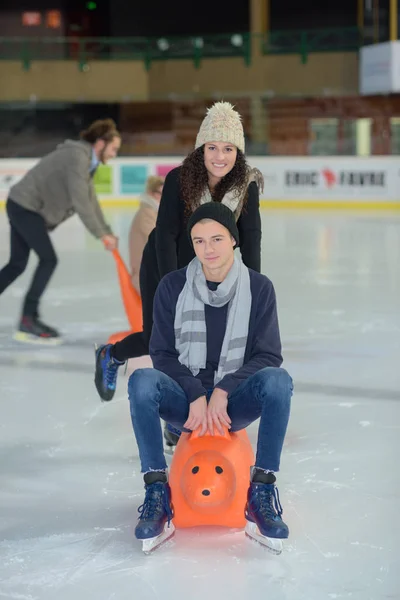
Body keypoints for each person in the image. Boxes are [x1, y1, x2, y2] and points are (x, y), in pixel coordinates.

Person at [127, 202, 293, 553]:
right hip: (186, 402)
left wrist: (222, 390)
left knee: (278, 380)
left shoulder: (259, 288)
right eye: (199, 241)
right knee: (141, 380)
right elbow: (162, 352)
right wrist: (193, 393)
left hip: (233, 400)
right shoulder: (172, 286)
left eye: (217, 238)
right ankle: (157, 491)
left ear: (233, 240)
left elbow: (268, 354)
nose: (209, 249)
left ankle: (261, 491)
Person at [95, 102, 263, 422]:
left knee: (204, 345)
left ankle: (181, 416)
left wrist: (253, 292)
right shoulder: (179, 180)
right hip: (164, 264)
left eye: (228, 148)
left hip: (212, 272)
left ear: (238, 152)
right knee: (160, 340)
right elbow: (165, 237)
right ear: (201, 148)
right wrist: (171, 290)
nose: (219, 156)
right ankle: (111, 355)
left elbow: (250, 242)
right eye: (212, 147)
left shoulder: (246, 187)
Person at [0, 119, 120, 344]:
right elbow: (80, 201)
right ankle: (28, 318)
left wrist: (106, 231)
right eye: (113, 149)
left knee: (17, 264)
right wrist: (101, 234)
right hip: (26, 207)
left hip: (24, 206)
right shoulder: (78, 157)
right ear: (101, 143)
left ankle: (29, 316)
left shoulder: (87, 161)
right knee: (48, 260)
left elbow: (90, 200)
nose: (114, 154)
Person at [128, 175, 164, 294]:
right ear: (150, 193)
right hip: (146, 276)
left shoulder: (153, 211)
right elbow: (160, 241)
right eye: (160, 193)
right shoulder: (147, 213)